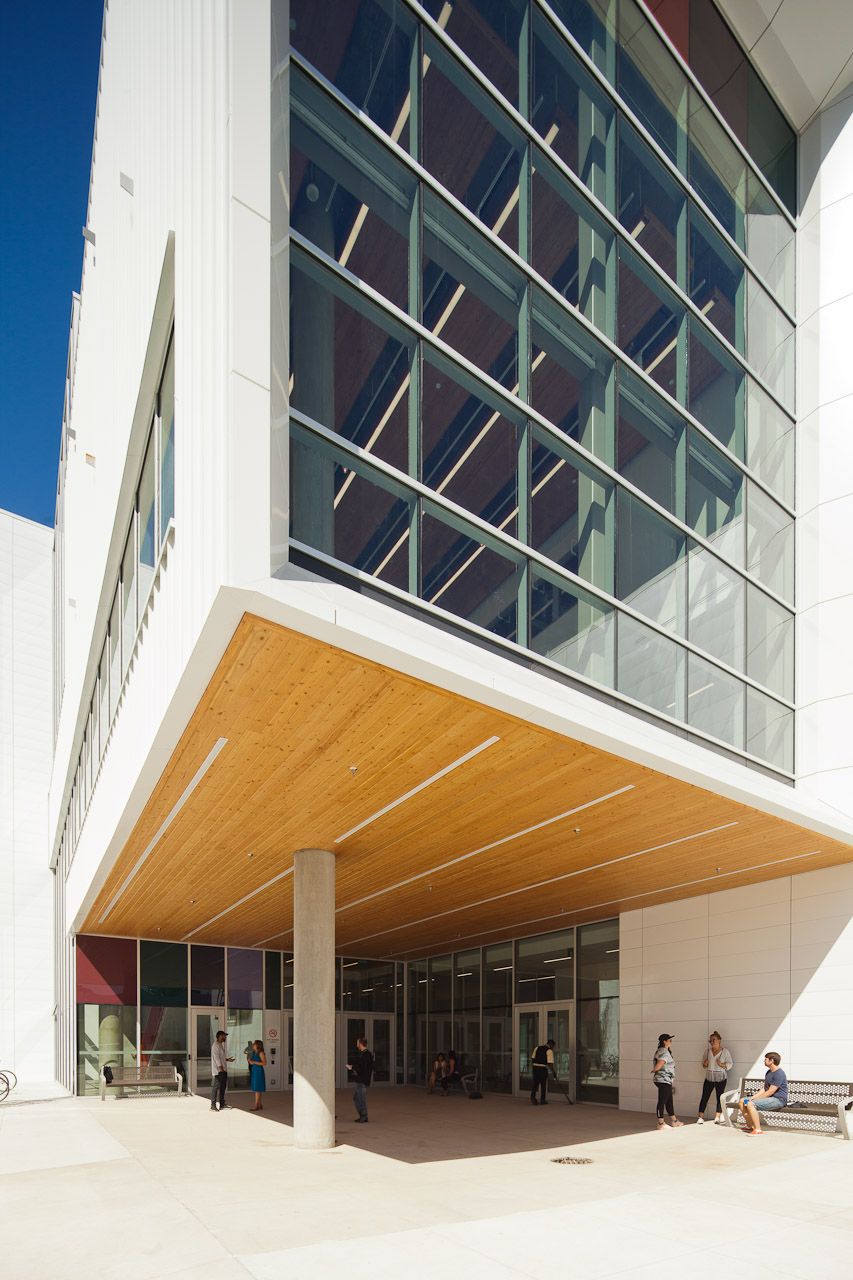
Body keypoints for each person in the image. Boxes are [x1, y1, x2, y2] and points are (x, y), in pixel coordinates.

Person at [738, 1051, 788, 1135]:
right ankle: (750, 1126)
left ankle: (758, 1130)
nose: (764, 1061)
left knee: (750, 1104)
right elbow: (765, 1089)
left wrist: (754, 1100)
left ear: (771, 1060)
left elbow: (771, 1091)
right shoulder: (769, 1072)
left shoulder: (779, 1073)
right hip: (770, 1098)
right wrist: (753, 1097)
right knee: (743, 1101)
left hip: (778, 1100)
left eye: (765, 1059)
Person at [697, 1030, 733, 1124]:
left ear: (719, 1040)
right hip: (709, 1077)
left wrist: (721, 1064)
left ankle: (717, 1117)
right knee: (704, 1096)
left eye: (713, 1040)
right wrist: (705, 1064)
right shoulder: (707, 1051)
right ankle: (700, 1117)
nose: (712, 1042)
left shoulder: (725, 1052)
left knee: (719, 1097)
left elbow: (730, 1064)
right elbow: (704, 1065)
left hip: (721, 1078)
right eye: (710, 1041)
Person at [652, 1033, 684, 1129]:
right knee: (662, 1100)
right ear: (664, 1041)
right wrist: (655, 1069)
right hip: (663, 1079)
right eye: (669, 1040)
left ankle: (674, 1121)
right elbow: (661, 1062)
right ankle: (661, 1123)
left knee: (669, 1100)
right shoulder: (664, 1051)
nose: (671, 1042)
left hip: (666, 1080)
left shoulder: (664, 1051)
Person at [346, 1035, 374, 1123]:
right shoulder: (363, 1054)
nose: (356, 1044)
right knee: (357, 1098)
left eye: (357, 1043)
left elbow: (363, 1068)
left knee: (360, 1098)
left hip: (363, 1080)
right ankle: (363, 1116)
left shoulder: (366, 1054)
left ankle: (364, 1116)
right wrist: (353, 1067)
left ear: (361, 1044)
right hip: (360, 1079)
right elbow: (360, 1065)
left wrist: (352, 1067)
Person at [210, 1030, 234, 1112]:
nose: (225, 1037)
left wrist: (227, 1059)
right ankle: (212, 1106)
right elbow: (216, 1058)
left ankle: (222, 1104)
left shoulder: (220, 1045)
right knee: (216, 1087)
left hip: (223, 1069)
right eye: (224, 1036)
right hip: (219, 1071)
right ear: (220, 1036)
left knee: (222, 1087)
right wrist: (220, 1069)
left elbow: (221, 1057)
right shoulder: (215, 1045)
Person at [530, 1039, 556, 1105]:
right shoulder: (549, 1051)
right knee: (543, 1084)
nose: (553, 1048)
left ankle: (533, 1098)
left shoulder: (537, 1048)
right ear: (551, 1044)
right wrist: (554, 1072)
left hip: (535, 1067)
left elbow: (533, 1058)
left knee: (535, 1084)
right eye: (553, 1046)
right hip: (542, 1068)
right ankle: (542, 1100)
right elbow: (550, 1063)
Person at [248, 1039, 266, 1112]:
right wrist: (250, 1061)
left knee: (257, 1089)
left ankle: (256, 1105)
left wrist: (254, 1062)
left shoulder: (261, 1053)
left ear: (258, 1045)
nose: (253, 1044)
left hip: (258, 1071)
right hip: (255, 1071)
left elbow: (264, 1063)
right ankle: (260, 1104)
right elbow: (252, 1062)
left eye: (254, 1043)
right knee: (258, 1088)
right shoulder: (254, 1052)